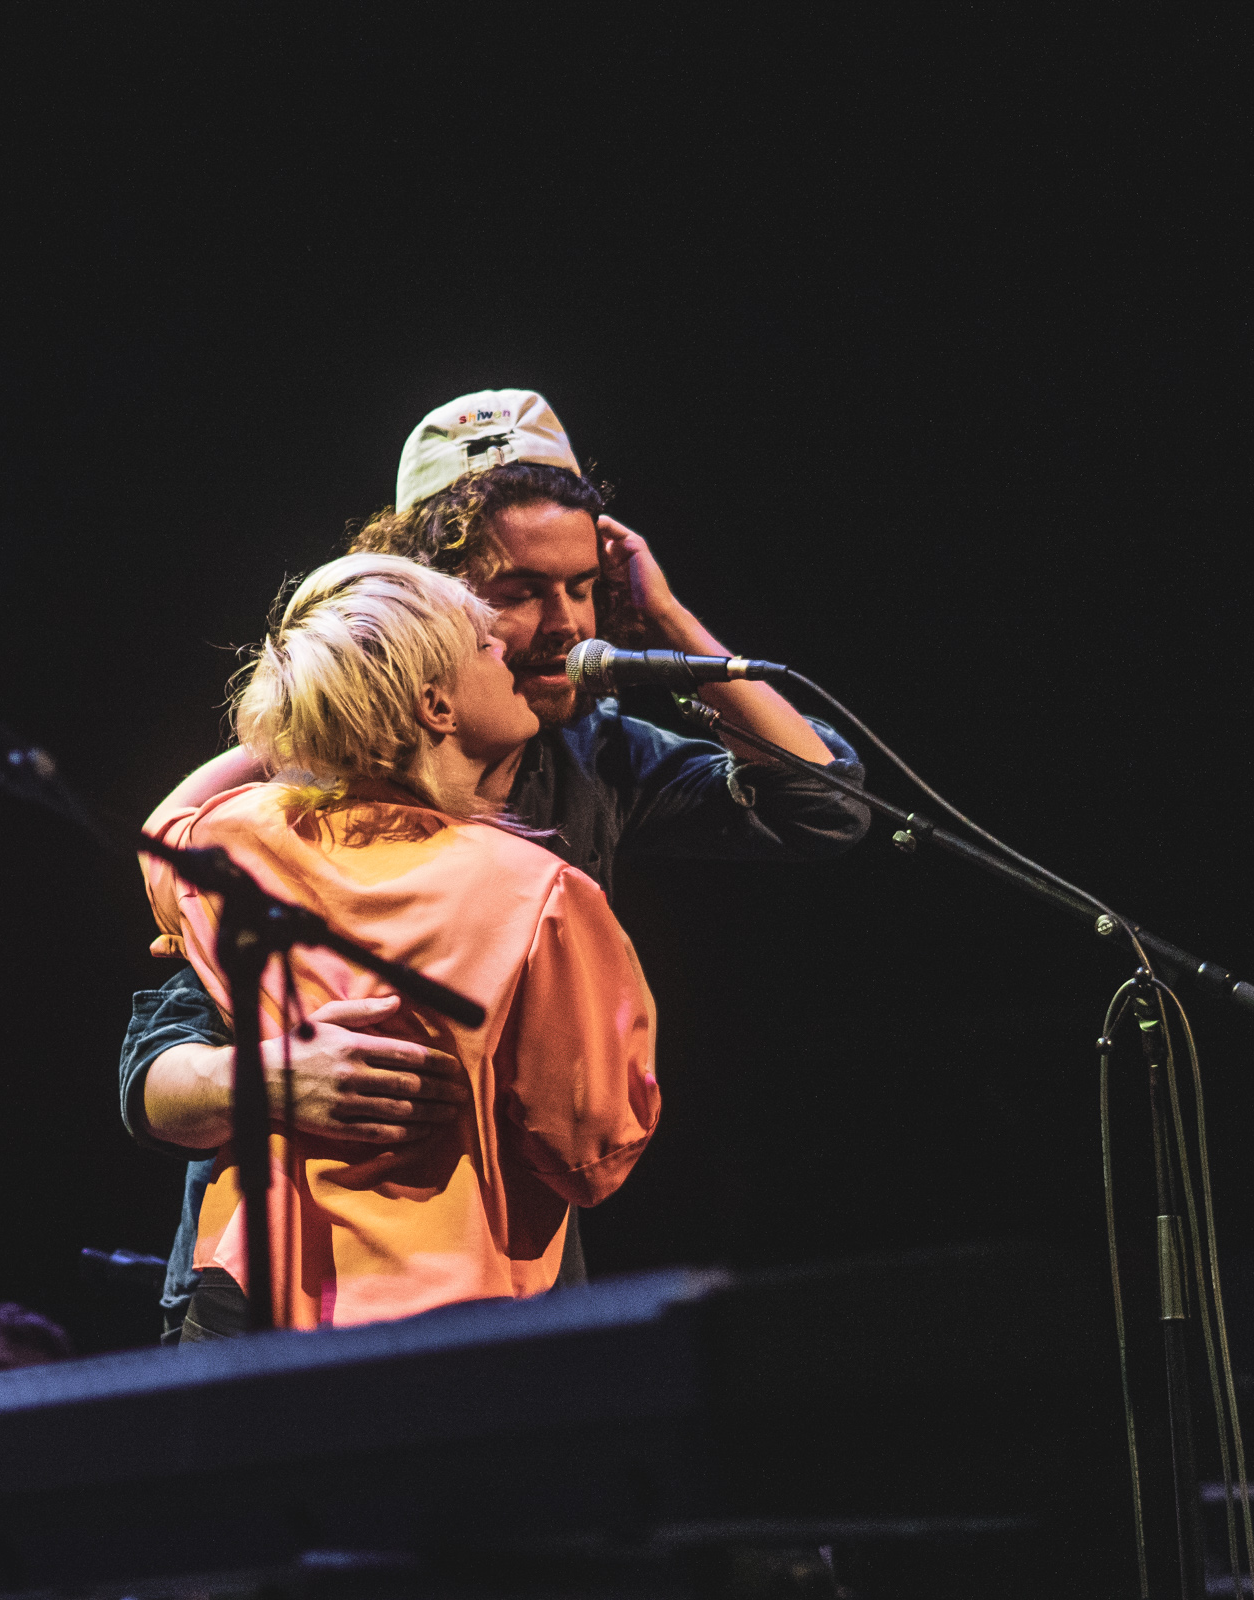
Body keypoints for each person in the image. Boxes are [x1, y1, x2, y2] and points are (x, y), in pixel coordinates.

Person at [122, 390, 870, 1337]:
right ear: (428, 606)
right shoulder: (293, 808)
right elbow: (148, 1077)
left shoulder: (594, 755)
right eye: (516, 595)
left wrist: (671, 618)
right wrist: (274, 1079)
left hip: (492, 1292)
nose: (566, 623)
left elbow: (828, 808)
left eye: (583, 585)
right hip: (265, 1295)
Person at [139, 554, 660, 1334]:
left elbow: (160, 833)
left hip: (247, 1297)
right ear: (436, 705)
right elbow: (592, 1152)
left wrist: (317, 705)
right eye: (484, 645)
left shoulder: (235, 841)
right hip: (443, 1311)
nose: (506, 656)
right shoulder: (541, 894)